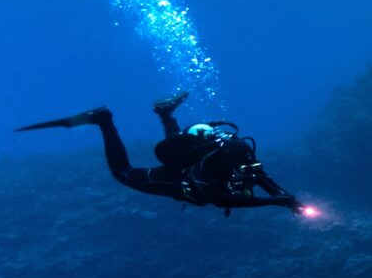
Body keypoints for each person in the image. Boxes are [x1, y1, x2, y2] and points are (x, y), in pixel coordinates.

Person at [20, 90, 308, 213]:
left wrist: (284, 196)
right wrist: (276, 202)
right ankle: (103, 121)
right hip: (178, 179)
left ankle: (165, 113)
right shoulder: (212, 170)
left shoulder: (239, 153)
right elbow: (220, 200)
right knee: (124, 174)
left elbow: (260, 175)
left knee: (178, 150)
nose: (250, 169)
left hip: (187, 163)